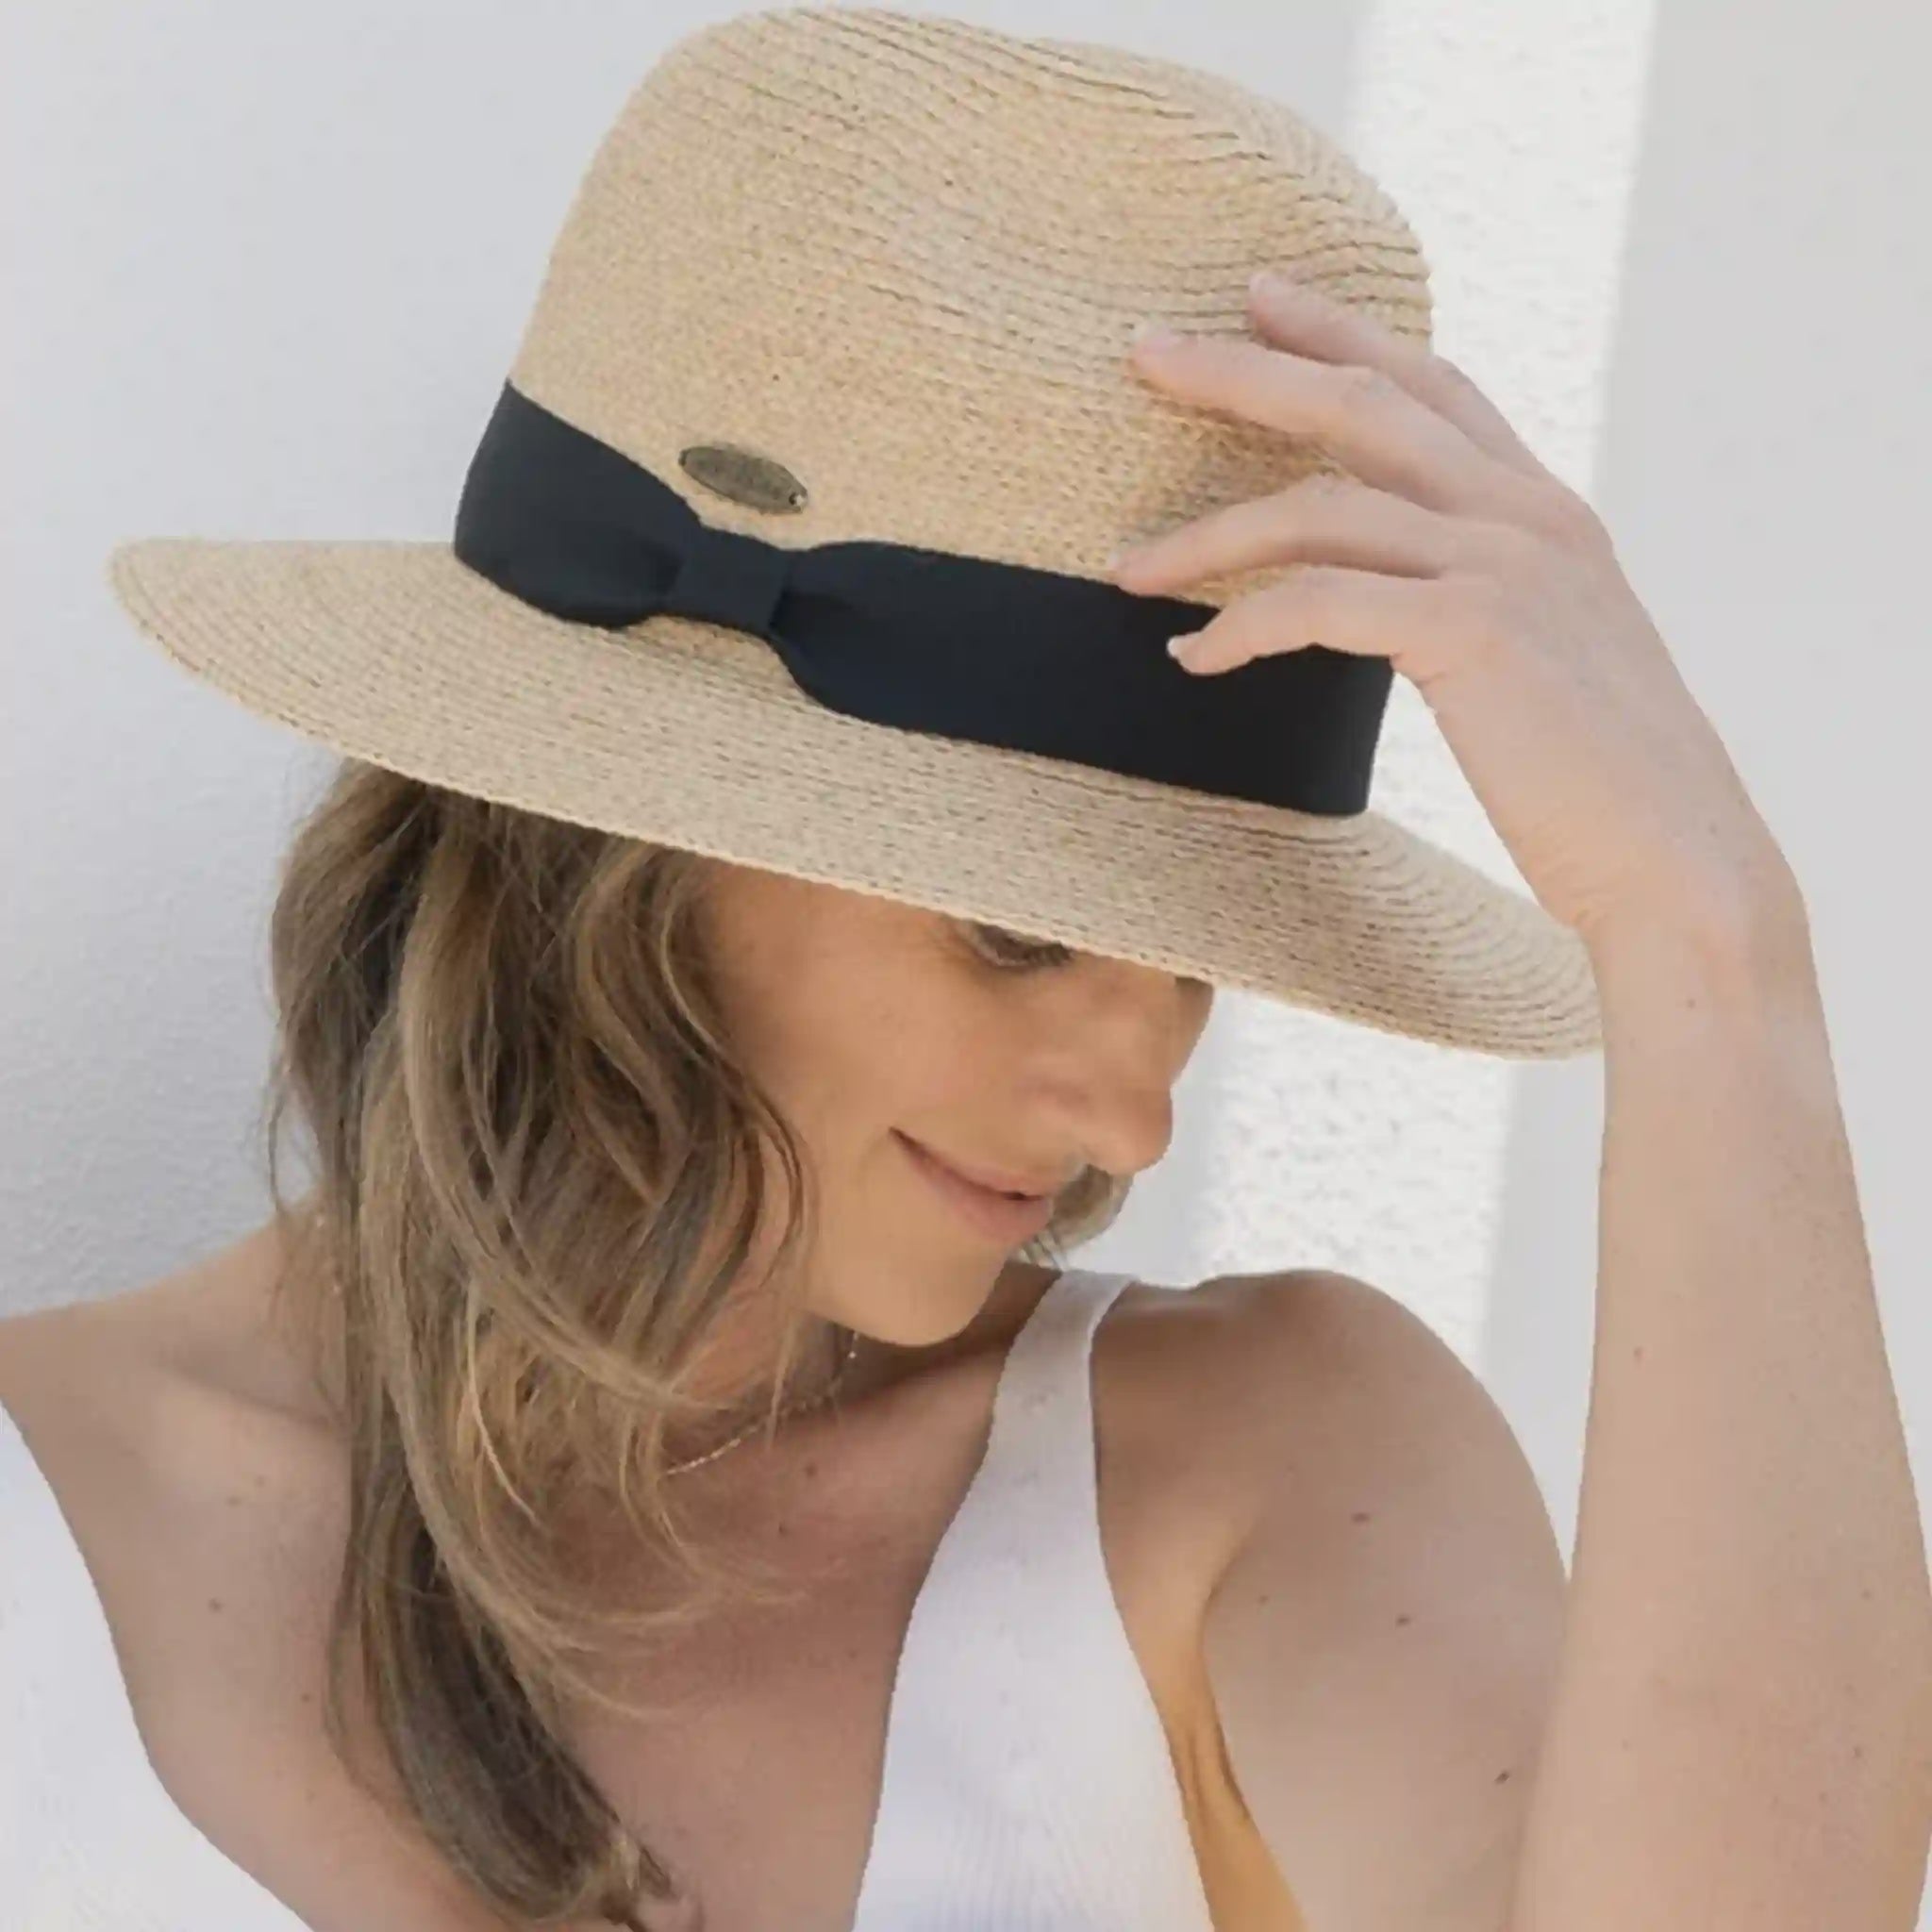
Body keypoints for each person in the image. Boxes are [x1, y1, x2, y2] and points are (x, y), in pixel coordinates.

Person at [5, 7, 1925, 1932]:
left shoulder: (1252, 1465)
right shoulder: (45, 1508)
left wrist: (1710, 953)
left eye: (1191, 963)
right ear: (618, 832)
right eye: (1016, 935)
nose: (1134, 1115)